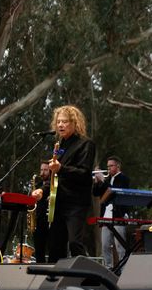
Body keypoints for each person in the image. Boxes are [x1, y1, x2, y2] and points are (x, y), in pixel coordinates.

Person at [32, 105, 96, 263]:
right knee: (55, 245)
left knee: (75, 243)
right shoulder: (60, 145)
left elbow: (84, 173)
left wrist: (61, 168)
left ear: (75, 123)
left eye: (65, 121)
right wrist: (42, 190)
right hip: (58, 202)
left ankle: (89, 278)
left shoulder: (86, 144)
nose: (60, 125)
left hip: (76, 203)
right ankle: (55, 281)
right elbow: (55, 177)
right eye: (58, 121)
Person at [92, 156, 130, 269]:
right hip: (106, 217)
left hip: (118, 215)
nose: (108, 169)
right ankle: (108, 268)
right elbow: (96, 193)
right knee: (105, 246)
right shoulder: (107, 180)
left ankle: (123, 270)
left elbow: (114, 192)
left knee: (120, 246)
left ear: (118, 166)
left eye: (111, 166)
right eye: (107, 166)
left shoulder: (124, 178)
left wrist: (103, 181)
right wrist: (96, 182)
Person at [33, 160, 51, 263]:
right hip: (38, 220)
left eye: (45, 170)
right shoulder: (37, 184)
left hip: (51, 220)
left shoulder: (54, 185)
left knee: (53, 250)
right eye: (41, 170)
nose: (42, 172)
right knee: (39, 251)